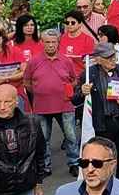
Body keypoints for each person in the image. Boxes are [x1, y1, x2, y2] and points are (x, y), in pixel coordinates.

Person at [25, 30, 81, 178]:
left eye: (53, 42)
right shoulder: (33, 61)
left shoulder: (66, 60)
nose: (50, 45)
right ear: (42, 43)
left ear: (58, 43)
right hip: (42, 106)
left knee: (71, 136)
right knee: (43, 138)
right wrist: (41, 91)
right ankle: (45, 166)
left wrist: (66, 90)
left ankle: (74, 163)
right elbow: (27, 82)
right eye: (47, 42)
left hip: (65, 105)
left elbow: (74, 80)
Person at [78, 42, 119, 182]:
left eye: (113, 56)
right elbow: (74, 99)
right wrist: (82, 92)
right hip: (102, 124)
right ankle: (104, 185)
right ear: (98, 59)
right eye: (108, 57)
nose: (112, 60)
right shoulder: (88, 74)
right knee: (102, 157)